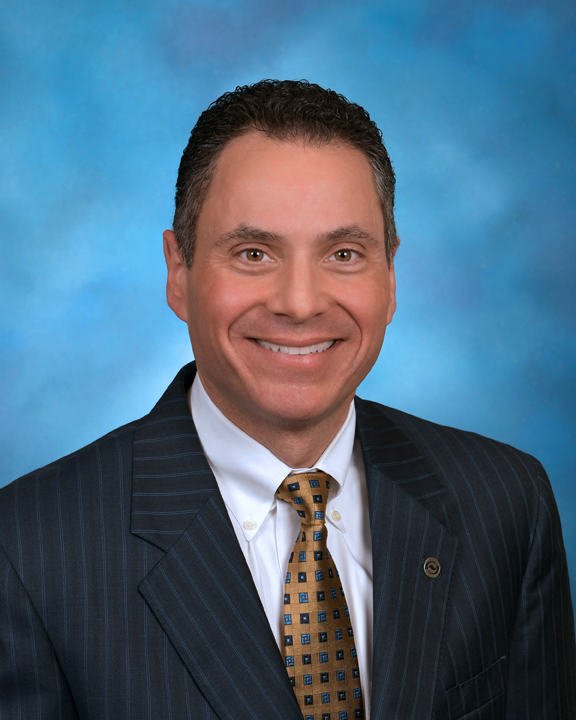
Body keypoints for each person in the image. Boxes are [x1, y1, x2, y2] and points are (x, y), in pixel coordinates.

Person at [0, 79, 574, 720]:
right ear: (178, 271)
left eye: (344, 253)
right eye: (254, 253)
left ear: (390, 276)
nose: (300, 303)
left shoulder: (506, 504)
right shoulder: (28, 551)